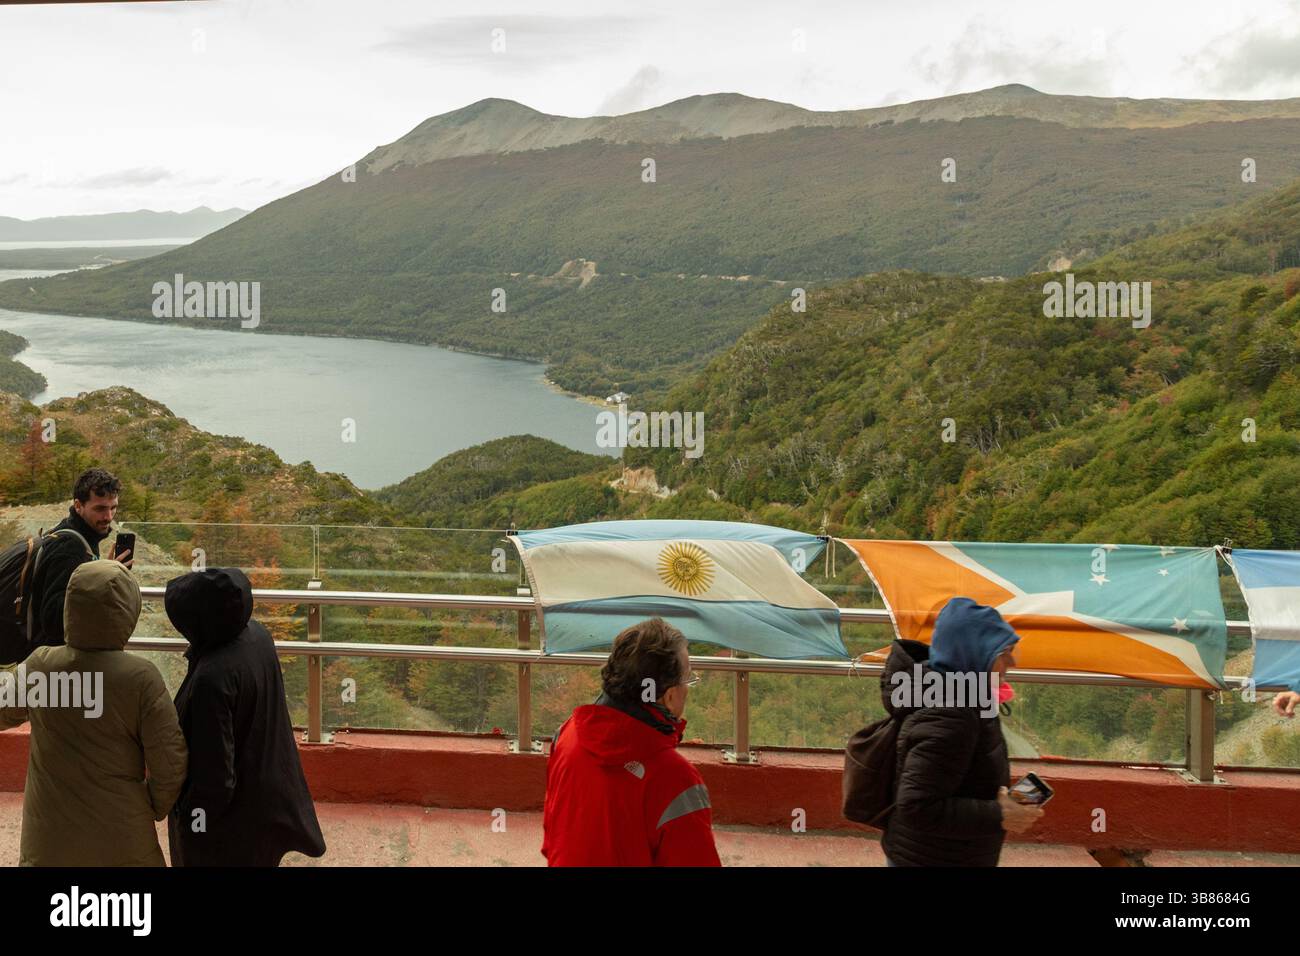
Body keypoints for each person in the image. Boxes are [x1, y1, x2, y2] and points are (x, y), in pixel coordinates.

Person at [0, 560, 187, 866]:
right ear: (128, 612)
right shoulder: (141, 678)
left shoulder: (41, 667)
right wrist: (151, 806)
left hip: (48, 839)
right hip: (124, 838)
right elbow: (170, 762)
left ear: (70, 607)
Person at [164, 567, 326, 866]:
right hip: (262, 803)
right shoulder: (257, 636)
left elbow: (213, 778)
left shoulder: (212, 679)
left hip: (230, 830)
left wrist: (192, 822)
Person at [542, 617, 721, 866]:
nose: (689, 687)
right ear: (669, 696)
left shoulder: (566, 735)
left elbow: (553, 835)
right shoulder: (675, 778)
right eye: (688, 678)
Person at [881, 596, 1043, 866]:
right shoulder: (951, 715)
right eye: (1003, 653)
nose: (1012, 662)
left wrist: (1000, 801)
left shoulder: (967, 697)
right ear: (975, 655)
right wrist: (999, 813)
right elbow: (917, 807)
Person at [28, 466, 133, 649]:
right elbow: (53, 619)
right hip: (57, 664)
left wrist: (101, 570)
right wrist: (102, 579)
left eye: (113, 508)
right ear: (78, 506)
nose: (108, 516)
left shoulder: (80, 534)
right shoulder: (70, 546)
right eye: (100, 508)